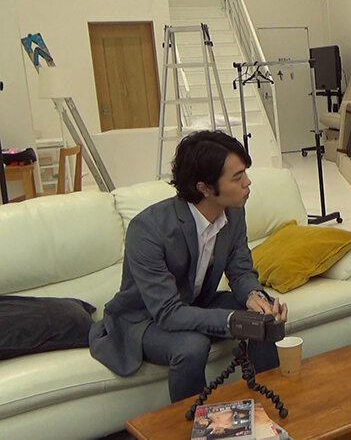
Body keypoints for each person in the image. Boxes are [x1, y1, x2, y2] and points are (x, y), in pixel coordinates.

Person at [89, 130, 288, 402]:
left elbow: (241, 271)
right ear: (204, 188)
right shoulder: (148, 229)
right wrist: (233, 321)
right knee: (192, 346)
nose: (248, 182)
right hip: (145, 319)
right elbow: (167, 312)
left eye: (245, 173)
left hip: (196, 304)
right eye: (237, 177)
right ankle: (193, 422)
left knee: (263, 317)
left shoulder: (234, 211)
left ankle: (269, 406)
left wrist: (255, 298)